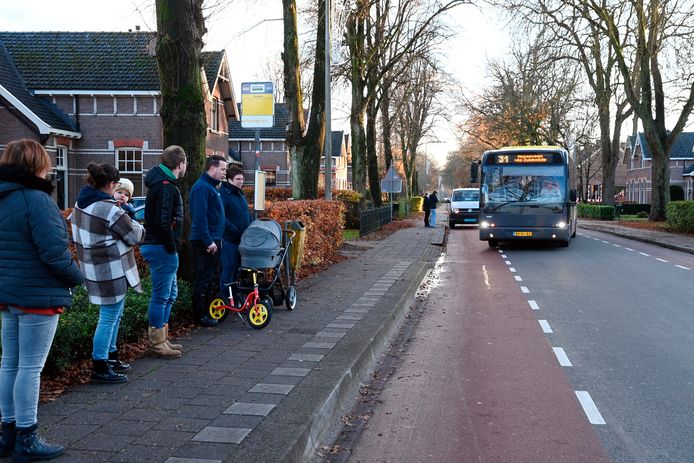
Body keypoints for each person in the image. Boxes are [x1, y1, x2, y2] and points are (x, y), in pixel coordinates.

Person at [0, 139, 83, 462]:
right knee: (30, 368)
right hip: (37, 295)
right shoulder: (38, 201)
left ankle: (7, 433)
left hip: (8, 295)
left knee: (9, 363)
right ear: (39, 165)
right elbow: (55, 254)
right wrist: (77, 279)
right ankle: (27, 436)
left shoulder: (3, 198)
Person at [70, 163, 145, 384]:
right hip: (111, 269)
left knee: (114, 314)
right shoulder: (109, 209)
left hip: (91, 267)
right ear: (112, 184)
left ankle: (111, 357)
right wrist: (132, 219)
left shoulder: (80, 204)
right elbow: (135, 235)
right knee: (109, 317)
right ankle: (100, 365)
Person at [140, 146, 187, 358]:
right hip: (161, 247)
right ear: (180, 164)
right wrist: (171, 246)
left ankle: (163, 339)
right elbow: (163, 221)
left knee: (169, 294)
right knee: (161, 295)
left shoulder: (160, 184)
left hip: (158, 245)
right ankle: (158, 344)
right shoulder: (166, 187)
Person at [190, 155, 228, 326]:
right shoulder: (202, 188)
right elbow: (200, 217)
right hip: (205, 243)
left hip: (213, 240)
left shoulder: (211, 187)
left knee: (211, 277)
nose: (224, 173)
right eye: (223, 169)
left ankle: (209, 311)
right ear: (213, 168)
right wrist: (208, 241)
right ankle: (200, 315)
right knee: (203, 278)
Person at [220, 165, 253, 289]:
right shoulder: (224, 194)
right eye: (238, 179)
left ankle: (236, 298)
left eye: (242, 179)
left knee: (239, 271)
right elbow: (222, 217)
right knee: (228, 270)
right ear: (229, 180)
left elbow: (246, 213)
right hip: (229, 240)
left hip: (242, 240)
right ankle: (226, 300)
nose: (241, 182)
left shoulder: (240, 194)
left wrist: (252, 225)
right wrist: (235, 230)